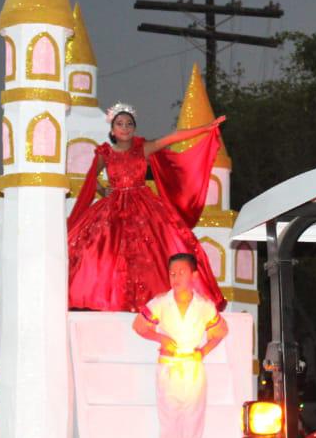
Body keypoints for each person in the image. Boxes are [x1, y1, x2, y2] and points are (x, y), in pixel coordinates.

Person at [67, 103, 227, 312]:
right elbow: (90, 178)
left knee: (158, 250)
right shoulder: (105, 153)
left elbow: (173, 137)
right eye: (120, 124)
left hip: (144, 206)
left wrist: (206, 128)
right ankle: (112, 299)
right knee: (103, 252)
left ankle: (158, 301)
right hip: (113, 209)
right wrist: (103, 191)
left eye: (129, 124)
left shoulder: (142, 148)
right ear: (112, 130)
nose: (125, 128)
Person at [132, 254, 229, 438]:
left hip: (193, 368)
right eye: (172, 273)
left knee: (193, 423)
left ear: (194, 275)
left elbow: (220, 331)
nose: (176, 278)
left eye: (181, 272)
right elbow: (139, 325)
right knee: (171, 424)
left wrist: (203, 350)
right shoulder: (161, 303)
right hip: (169, 367)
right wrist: (160, 337)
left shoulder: (204, 306)